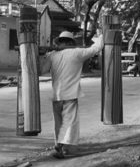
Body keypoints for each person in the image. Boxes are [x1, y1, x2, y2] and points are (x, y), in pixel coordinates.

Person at [41, 30, 104, 159]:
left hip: (57, 96)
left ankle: (61, 147)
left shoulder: (52, 55)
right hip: (70, 95)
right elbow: (97, 48)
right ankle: (60, 147)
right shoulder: (77, 53)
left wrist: (43, 56)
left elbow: (42, 70)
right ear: (70, 42)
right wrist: (103, 35)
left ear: (60, 42)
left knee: (59, 123)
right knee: (69, 123)